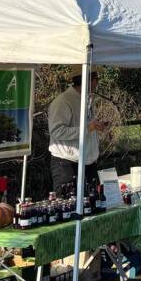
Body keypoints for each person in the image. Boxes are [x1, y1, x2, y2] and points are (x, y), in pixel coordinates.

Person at [48, 66, 105, 195]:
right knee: (70, 209)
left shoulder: (87, 98)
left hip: (88, 163)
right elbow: (57, 131)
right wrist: (87, 128)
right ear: (87, 80)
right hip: (67, 165)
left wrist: (95, 127)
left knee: (92, 206)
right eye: (96, 78)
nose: (98, 82)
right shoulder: (63, 101)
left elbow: (86, 127)